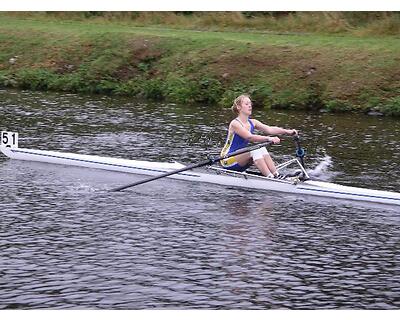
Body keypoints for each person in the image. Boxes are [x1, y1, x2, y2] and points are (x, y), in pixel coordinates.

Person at [220, 94, 297, 178]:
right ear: (238, 107)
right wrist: (269, 138)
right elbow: (250, 137)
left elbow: (270, 129)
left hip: (240, 159)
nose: (250, 106)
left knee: (262, 149)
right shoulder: (235, 123)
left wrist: (288, 132)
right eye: (246, 104)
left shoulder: (253, 122)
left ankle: (277, 175)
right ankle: (270, 177)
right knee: (255, 150)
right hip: (227, 159)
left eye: (250, 104)